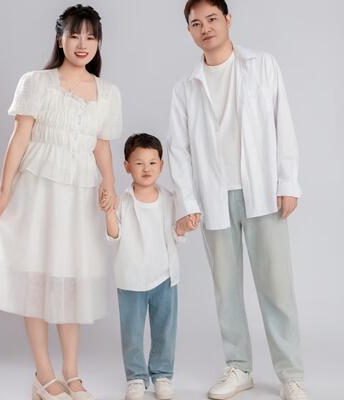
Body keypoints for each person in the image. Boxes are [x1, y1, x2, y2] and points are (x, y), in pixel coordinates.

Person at [0, 5, 122, 400]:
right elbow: (19, 138)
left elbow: (102, 146)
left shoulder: (108, 93)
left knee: (70, 282)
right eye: (75, 35)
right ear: (60, 39)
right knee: (36, 280)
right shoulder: (36, 82)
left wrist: (109, 185)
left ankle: (71, 373)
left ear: (99, 42)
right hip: (37, 190)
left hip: (79, 195)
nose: (82, 44)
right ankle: (44, 374)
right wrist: (4, 191)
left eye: (90, 36)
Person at [167, 1, 309, 399]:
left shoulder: (262, 66)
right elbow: (178, 150)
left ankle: (291, 374)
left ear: (227, 20)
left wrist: (288, 182)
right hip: (214, 198)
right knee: (226, 289)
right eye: (196, 23)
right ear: (190, 31)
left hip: (262, 191)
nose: (205, 28)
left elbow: (283, 123)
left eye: (212, 19)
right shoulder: (185, 88)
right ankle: (239, 367)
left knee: (276, 287)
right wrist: (188, 202)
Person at [101, 133, 190, 400]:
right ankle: (136, 378)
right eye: (139, 163)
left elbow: (176, 233)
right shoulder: (122, 201)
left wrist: (183, 225)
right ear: (127, 166)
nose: (146, 168)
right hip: (131, 278)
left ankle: (162, 374)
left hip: (164, 276)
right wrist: (108, 212)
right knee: (132, 332)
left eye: (152, 163)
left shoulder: (170, 199)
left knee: (165, 329)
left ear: (161, 165)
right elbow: (113, 236)